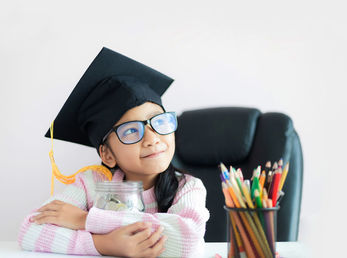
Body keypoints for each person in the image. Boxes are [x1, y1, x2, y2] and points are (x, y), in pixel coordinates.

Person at [17, 47, 210, 257]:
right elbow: (29, 231)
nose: (152, 138)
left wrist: (85, 220)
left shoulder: (188, 187)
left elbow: (189, 240)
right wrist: (105, 244)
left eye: (159, 121)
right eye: (130, 131)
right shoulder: (91, 184)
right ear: (107, 154)